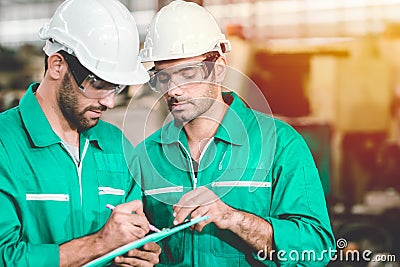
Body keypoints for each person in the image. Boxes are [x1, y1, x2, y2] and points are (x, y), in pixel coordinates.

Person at [134, 1, 335, 266]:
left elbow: (317, 248)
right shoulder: (146, 156)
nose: (173, 90)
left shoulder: (280, 145)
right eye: (163, 77)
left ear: (218, 68)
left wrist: (233, 218)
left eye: (187, 74)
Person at [0, 0, 161, 266]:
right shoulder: (6, 144)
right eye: (97, 84)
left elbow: (133, 235)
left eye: (116, 88)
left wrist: (139, 250)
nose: (109, 102)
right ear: (57, 65)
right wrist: (99, 244)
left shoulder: (116, 146)